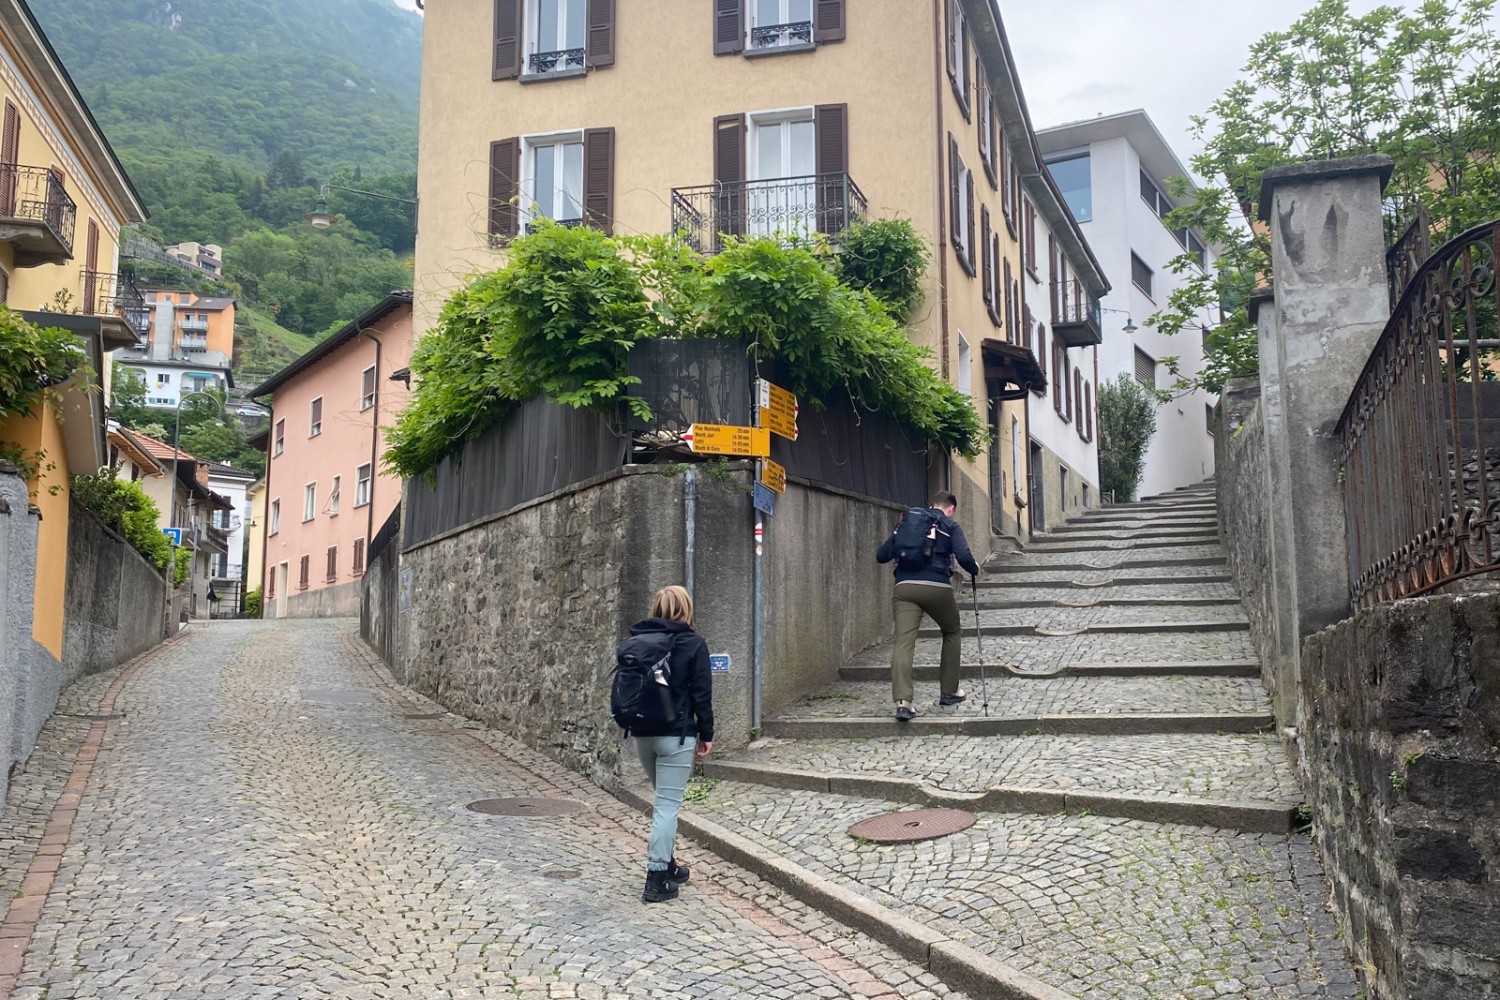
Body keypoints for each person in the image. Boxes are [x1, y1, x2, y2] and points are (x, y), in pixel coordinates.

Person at [623, 585, 714, 903]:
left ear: (657, 608)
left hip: (642, 733)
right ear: (686, 608)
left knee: (663, 804)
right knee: (666, 806)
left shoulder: (638, 641)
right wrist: (708, 734)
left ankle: (670, 865)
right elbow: (701, 695)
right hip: (677, 736)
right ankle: (656, 878)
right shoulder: (693, 643)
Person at [876, 492, 981, 721]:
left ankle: (903, 703)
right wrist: (974, 569)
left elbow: (881, 556)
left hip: (904, 588)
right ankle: (950, 691)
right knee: (952, 630)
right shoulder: (949, 525)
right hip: (936, 586)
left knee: (904, 641)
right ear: (950, 508)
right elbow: (963, 556)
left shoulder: (907, 525)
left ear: (931, 505)